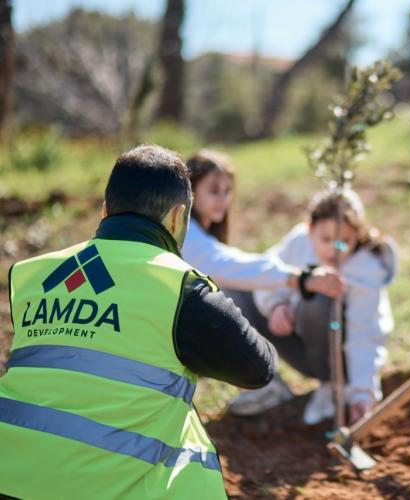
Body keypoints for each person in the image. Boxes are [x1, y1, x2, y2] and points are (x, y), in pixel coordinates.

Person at [0, 145, 278, 499]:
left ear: (105, 211)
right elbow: (257, 369)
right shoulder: (179, 286)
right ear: (178, 218)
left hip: (8, 476)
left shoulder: (32, 273)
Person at [180, 149, 346, 416]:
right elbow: (229, 266)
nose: (223, 199)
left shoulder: (201, 234)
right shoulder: (187, 236)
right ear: (190, 192)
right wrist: (300, 278)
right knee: (225, 291)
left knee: (232, 290)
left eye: (227, 191)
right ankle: (261, 383)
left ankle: (266, 384)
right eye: (214, 190)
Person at [231, 189, 397, 425]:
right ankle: (267, 385)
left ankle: (333, 384)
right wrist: (277, 305)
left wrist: (362, 394)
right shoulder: (299, 242)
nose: (335, 250)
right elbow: (265, 275)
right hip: (300, 343)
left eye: (345, 241)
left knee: (320, 300)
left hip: (341, 357)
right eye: (326, 240)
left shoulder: (366, 270)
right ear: (310, 230)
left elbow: (364, 334)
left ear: (358, 234)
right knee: (235, 290)